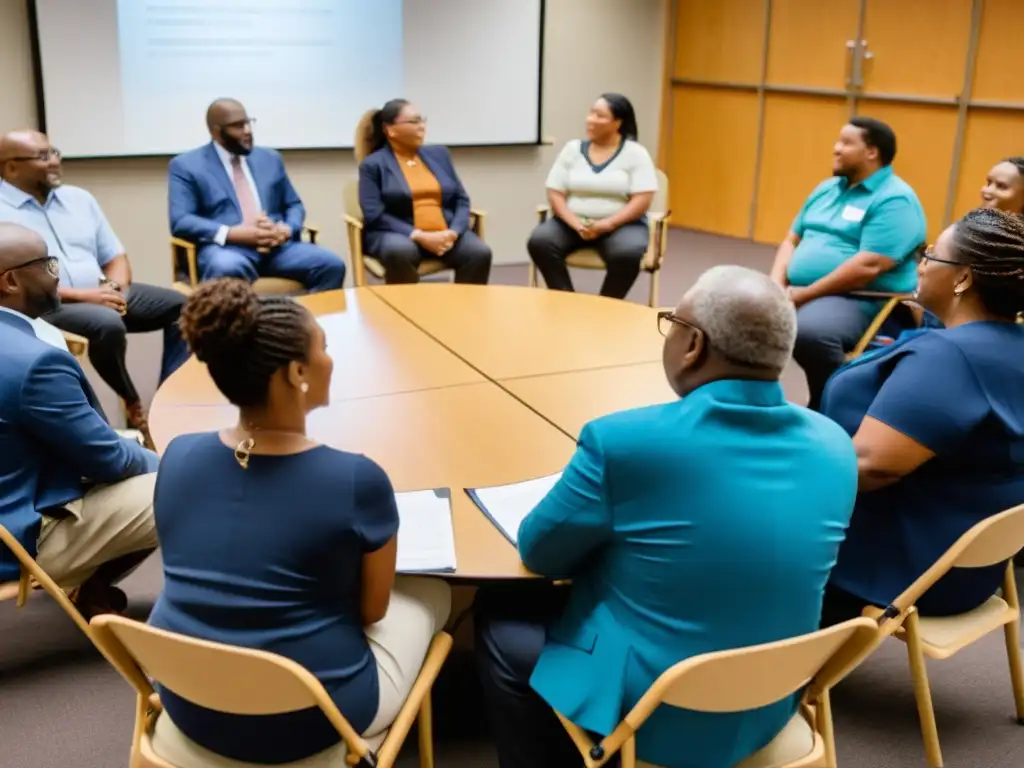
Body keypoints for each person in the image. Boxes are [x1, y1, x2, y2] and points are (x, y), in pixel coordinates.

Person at [474, 266, 858, 768]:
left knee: (500, 618)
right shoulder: (835, 445)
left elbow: (540, 552)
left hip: (654, 715)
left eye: (671, 322)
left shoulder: (625, 443)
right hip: (771, 702)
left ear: (693, 344)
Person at [147, 278, 451, 766]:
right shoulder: (356, 479)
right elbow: (371, 612)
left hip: (188, 700)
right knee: (436, 593)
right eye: (324, 348)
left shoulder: (179, 455)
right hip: (309, 720)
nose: (331, 360)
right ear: (297, 372)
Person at [819, 207, 1024, 625]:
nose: (922, 264)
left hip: (900, 564)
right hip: (969, 563)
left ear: (963, 278)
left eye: (932, 255)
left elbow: (868, 467)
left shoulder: (950, 358)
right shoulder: (1008, 344)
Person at [0, 222, 158, 618]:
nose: (59, 275)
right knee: (192, 484)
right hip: (20, 536)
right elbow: (108, 461)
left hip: (15, 489)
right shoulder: (33, 361)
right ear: (10, 281)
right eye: (48, 264)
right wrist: (172, 459)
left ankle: (92, 589)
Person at [0, 130, 188, 431]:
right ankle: (132, 400)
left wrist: (112, 288)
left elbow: (115, 257)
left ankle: (171, 396)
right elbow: (16, 282)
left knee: (185, 306)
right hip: (46, 302)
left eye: (55, 152)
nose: (55, 162)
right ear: (11, 167)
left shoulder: (79, 199)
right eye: (43, 156)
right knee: (106, 323)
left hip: (102, 294)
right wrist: (87, 296)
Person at [769, 117, 927, 410]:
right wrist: (776, 285)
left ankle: (837, 406)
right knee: (735, 313)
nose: (836, 149)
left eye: (846, 143)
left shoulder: (895, 199)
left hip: (860, 296)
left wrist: (803, 294)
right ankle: (757, 405)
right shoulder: (826, 189)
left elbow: (868, 266)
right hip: (802, 290)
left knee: (812, 333)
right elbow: (791, 240)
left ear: (872, 152)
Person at [168, 98, 346, 292]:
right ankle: (243, 323)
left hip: (277, 248)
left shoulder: (269, 158)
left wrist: (286, 229)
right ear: (216, 131)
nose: (247, 131)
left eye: (248, 123)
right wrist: (234, 234)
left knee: (332, 266)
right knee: (227, 267)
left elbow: (294, 205)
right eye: (237, 126)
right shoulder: (187, 165)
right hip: (227, 249)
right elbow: (181, 221)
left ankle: (302, 322)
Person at [527, 93, 658, 300]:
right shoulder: (572, 149)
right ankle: (566, 300)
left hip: (622, 225)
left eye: (599, 116)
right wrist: (576, 223)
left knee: (628, 253)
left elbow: (642, 199)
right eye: (591, 113)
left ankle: (605, 305)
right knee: (540, 241)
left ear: (618, 123)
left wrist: (607, 224)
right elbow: (555, 193)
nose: (590, 119)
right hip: (571, 223)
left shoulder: (636, 153)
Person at [356, 99, 492, 284]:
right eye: (414, 122)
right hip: (399, 235)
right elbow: (374, 213)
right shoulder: (373, 165)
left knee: (478, 253)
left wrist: (453, 232)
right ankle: (405, 309)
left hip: (445, 232)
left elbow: (461, 199)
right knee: (401, 251)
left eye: (422, 120)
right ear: (390, 130)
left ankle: (465, 309)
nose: (422, 127)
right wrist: (419, 235)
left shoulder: (439, 154)